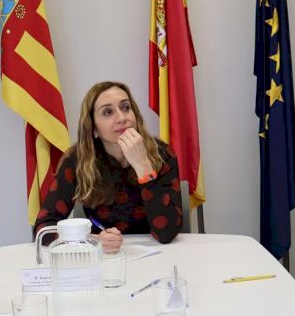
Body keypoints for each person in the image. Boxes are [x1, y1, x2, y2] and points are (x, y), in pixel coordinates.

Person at [34, 81, 183, 251]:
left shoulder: (162, 154)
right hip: (103, 256)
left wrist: (143, 166)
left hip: (158, 253)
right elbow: (43, 229)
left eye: (126, 108)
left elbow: (167, 233)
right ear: (93, 127)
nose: (122, 118)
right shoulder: (77, 160)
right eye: (107, 112)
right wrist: (90, 240)